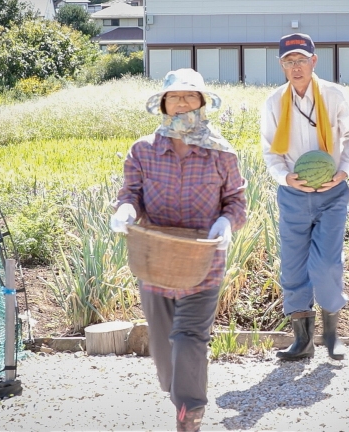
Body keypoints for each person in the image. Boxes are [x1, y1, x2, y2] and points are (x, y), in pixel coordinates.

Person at [109, 68, 247, 431]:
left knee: (189, 338)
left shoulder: (221, 153)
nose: (182, 102)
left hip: (203, 261)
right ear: (164, 105)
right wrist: (126, 210)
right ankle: (180, 393)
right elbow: (131, 194)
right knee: (163, 346)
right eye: (175, 96)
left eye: (190, 96)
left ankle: (190, 413)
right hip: (155, 260)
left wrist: (226, 222)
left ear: (202, 104)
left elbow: (236, 201)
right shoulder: (144, 150)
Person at [260, 33, 349, 361]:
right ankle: (302, 341)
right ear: (281, 65)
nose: (296, 67)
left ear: (314, 61)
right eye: (289, 61)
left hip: (332, 193)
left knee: (326, 263)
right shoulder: (274, 101)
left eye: (301, 60)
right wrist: (286, 177)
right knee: (293, 267)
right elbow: (268, 151)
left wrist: (343, 172)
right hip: (293, 194)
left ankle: (332, 334)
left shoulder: (334, 95)